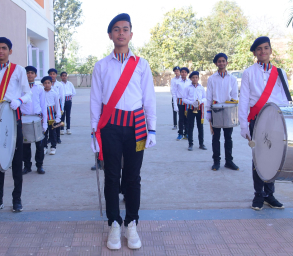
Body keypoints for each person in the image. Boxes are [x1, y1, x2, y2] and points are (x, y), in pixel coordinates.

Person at [90, 13, 156, 250]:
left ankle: (132, 222)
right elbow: (95, 100)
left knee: (133, 176)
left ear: (131, 34)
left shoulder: (142, 64)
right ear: (110, 35)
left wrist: (153, 128)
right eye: (116, 29)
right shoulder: (101, 66)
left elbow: (149, 98)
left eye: (125, 29)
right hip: (110, 128)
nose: (121, 33)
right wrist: (93, 133)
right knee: (111, 176)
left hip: (137, 127)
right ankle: (114, 223)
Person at [239, 36, 289, 211]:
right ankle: (258, 195)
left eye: (266, 48)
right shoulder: (248, 72)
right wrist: (243, 125)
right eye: (259, 49)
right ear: (255, 52)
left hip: (275, 121)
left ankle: (270, 195)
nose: (263, 51)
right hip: (257, 119)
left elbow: (284, 99)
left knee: (274, 158)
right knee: (258, 158)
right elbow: (244, 100)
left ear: (270, 50)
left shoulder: (280, 73)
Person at [0, 37, 32, 211]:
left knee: (16, 160)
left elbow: (28, 94)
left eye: (4, 48)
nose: (1, 51)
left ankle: (16, 199)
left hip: (13, 119)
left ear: (10, 51)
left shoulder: (18, 70)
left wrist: (19, 100)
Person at [206, 53, 239, 171]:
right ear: (216, 63)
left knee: (228, 137)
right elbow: (209, 96)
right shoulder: (212, 79)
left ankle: (229, 161)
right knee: (216, 138)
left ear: (227, 62)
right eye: (219, 61)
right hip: (216, 110)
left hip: (228, 111)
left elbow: (235, 95)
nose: (221, 63)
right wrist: (208, 112)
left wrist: (234, 110)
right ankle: (216, 161)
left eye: (223, 61)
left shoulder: (232, 78)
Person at [21, 66, 47, 175]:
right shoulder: (20, 87)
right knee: (25, 145)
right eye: (27, 73)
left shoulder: (40, 88)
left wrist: (44, 123)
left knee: (39, 145)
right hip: (24, 119)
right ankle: (27, 166)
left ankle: (39, 165)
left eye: (32, 73)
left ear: (36, 75)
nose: (30, 75)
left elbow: (43, 105)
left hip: (37, 119)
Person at [183, 71, 207, 151]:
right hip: (191, 109)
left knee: (200, 127)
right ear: (190, 79)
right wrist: (192, 103)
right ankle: (190, 144)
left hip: (200, 109)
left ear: (198, 78)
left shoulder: (201, 87)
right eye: (193, 77)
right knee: (190, 127)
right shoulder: (187, 88)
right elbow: (184, 99)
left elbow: (205, 98)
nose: (195, 79)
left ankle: (201, 144)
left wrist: (200, 101)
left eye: (196, 77)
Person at [42, 76, 61, 155]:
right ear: (43, 84)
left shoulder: (54, 93)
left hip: (51, 115)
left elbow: (57, 105)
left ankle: (53, 147)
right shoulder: (41, 92)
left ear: (51, 83)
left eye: (48, 83)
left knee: (52, 132)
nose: (47, 85)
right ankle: (44, 146)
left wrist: (58, 117)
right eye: (45, 83)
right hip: (43, 114)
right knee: (44, 132)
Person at [171, 67, 190, 140]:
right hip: (180, 101)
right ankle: (180, 133)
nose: (183, 73)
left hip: (188, 102)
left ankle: (187, 133)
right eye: (182, 72)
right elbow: (174, 93)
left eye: (185, 72)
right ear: (180, 73)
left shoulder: (190, 82)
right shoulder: (177, 82)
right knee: (181, 118)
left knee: (187, 118)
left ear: (187, 73)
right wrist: (175, 105)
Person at [48, 68, 64, 144]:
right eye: (50, 74)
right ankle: (50, 138)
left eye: (53, 74)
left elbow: (62, 96)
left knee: (57, 122)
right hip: (50, 106)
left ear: (56, 75)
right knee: (50, 122)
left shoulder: (59, 85)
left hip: (58, 105)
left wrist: (62, 108)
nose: (52, 75)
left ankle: (58, 137)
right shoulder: (47, 83)